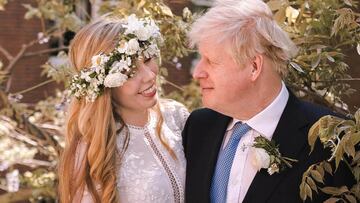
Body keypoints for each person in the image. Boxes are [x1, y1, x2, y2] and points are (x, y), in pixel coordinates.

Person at [182, 0, 354, 202]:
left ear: (254, 67)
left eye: (210, 61)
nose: (197, 73)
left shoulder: (332, 140)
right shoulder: (199, 127)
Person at [58, 14, 189, 203]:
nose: (149, 75)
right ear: (103, 84)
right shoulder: (92, 150)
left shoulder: (177, 116)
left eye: (148, 59)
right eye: (129, 72)